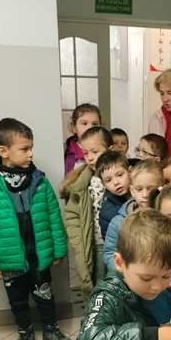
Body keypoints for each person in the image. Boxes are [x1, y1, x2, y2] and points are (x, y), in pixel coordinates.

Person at [0, 118, 74, 340]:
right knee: (17, 300)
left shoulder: (40, 182)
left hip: (38, 256)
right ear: (4, 151)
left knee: (44, 295)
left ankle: (50, 328)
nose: (31, 154)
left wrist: (58, 249)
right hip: (10, 260)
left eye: (31, 148)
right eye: (24, 149)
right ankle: (25, 332)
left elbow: (54, 217)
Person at [77, 209, 171, 340]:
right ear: (120, 263)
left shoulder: (169, 296)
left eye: (166, 276)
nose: (158, 286)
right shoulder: (107, 298)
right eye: (146, 278)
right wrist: (152, 339)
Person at [61, 126, 113, 298]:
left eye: (95, 152)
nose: (90, 158)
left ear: (110, 150)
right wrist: (79, 243)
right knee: (98, 287)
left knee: (119, 286)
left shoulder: (120, 178)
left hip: (118, 245)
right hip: (96, 243)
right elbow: (71, 215)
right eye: (86, 153)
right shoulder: (83, 183)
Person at [103, 159, 164, 271]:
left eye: (151, 189)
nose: (145, 195)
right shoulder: (119, 222)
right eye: (139, 189)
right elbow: (110, 253)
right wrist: (124, 271)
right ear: (132, 190)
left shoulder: (166, 219)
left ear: (161, 188)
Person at [96, 150, 131, 240]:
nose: (116, 182)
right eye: (108, 180)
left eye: (120, 175)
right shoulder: (105, 213)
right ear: (104, 184)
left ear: (130, 171)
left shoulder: (145, 195)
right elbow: (110, 244)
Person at [63, 103, 102, 176]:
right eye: (84, 124)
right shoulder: (71, 155)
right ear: (74, 127)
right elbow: (68, 180)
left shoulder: (106, 147)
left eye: (95, 124)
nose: (90, 128)